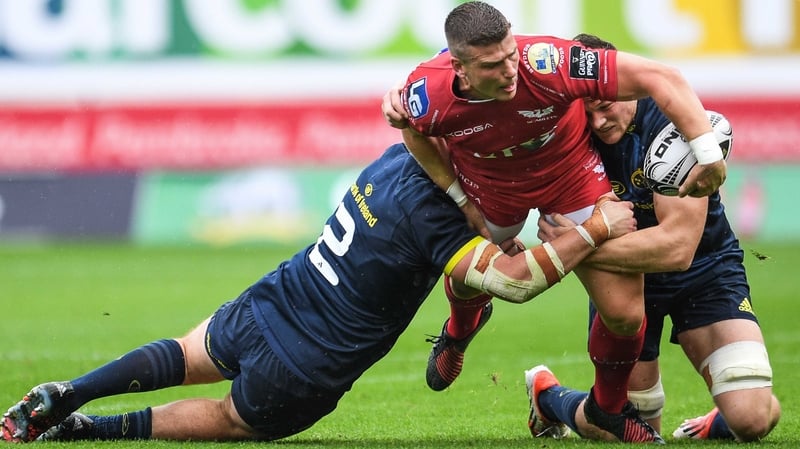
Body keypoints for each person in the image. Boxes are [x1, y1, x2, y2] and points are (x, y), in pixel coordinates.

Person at [1, 142, 636, 443]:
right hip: (305, 364)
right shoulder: (440, 225)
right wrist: (598, 228)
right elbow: (510, 282)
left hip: (276, 296)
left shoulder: (395, 158)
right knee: (228, 417)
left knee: (181, 353)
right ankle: (89, 428)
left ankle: (71, 393)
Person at [382, 1, 725, 443]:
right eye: (493, 65)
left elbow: (664, 78)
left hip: (572, 179)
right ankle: (459, 329)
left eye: (510, 53)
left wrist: (710, 155)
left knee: (624, 314)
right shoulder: (427, 94)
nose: (510, 70)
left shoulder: (548, 62)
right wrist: (458, 199)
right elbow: (413, 130)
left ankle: (609, 410)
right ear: (460, 68)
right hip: (489, 188)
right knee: (469, 279)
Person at [525, 33, 780, 443]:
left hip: (705, 268)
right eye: (585, 114)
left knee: (751, 418)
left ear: (619, 86)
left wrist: (574, 247)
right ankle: (548, 397)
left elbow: (676, 248)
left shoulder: (670, 120)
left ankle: (722, 413)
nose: (597, 123)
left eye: (604, 107)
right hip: (628, 281)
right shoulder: (569, 138)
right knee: (631, 430)